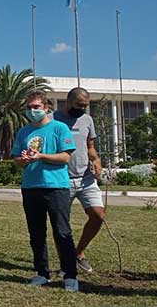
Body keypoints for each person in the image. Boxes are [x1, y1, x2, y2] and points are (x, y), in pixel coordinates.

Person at [12, 91, 79, 292]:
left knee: (62, 232)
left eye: (36, 107)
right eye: (29, 107)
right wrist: (22, 161)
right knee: (36, 233)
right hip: (31, 188)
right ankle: (42, 272)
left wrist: (40, 156)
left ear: (46, 108)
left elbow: (66, 158)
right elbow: (16, 160)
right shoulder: (23, 132)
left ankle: (70, 275)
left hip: (56, 187)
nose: (32, 111)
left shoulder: (59, 128)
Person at [53, 87, 105, 273]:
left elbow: (90, 146)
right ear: (68, 101)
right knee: (61, 224)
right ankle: (65, 265)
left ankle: (79, 253)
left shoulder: (87, 120)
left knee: (98, 215)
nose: (82, 109)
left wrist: (96, 160)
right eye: (79, 105)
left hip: (86, 178)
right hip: (61, 179)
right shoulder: (53, 120)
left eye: (85, 106)